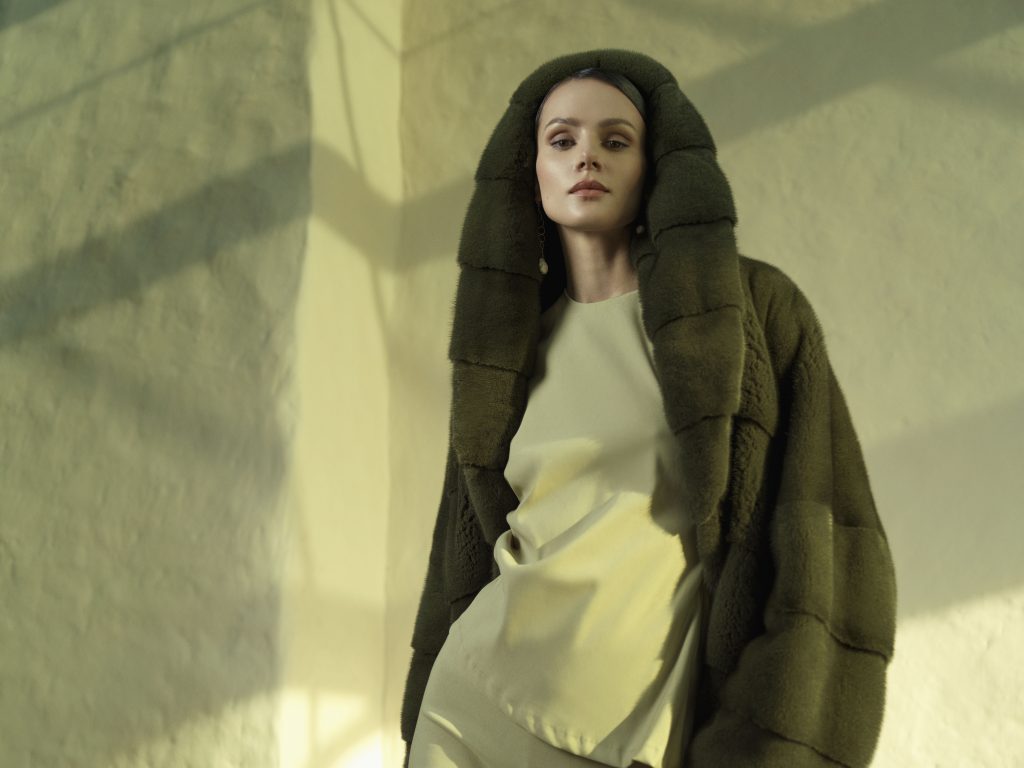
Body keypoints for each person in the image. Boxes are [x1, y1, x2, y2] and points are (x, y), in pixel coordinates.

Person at [401, 48, 897, 768]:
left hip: (628, 735)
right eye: (562, 140)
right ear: (529, 169)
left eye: (615, 140)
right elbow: (461, 551)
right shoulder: (503, 355)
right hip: (469, 707)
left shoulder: (750, 316)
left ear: (656, 162)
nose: (587, 158)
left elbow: (822, 554)